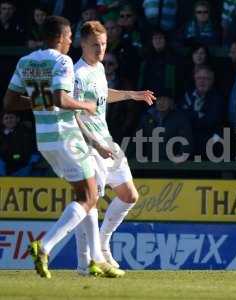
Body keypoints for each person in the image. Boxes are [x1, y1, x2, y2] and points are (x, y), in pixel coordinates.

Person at [2, 15, 122, 279]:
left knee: (86, 195)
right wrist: (86, 105)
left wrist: (39, 101)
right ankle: (45, 246)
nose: (70, 42)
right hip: (67, 135)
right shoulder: (62, 61)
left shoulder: (26, 61)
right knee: (90, 196)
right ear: (59, 38)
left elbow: (9, 102)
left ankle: (94, 260)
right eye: (68, 37)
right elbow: (61, 98)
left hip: (44, 139)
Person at [73, 20, 155, 274]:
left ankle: (104, 242)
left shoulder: (98, 68)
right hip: (89, 146)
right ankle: (83, 262)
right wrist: (94, 143)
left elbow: (102, 94)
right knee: (89, 203)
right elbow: (72, 115)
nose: (100, 50)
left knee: (130, 195)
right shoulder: (77, 74)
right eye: (95, 45)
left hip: (106, 141)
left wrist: (130, 94)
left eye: (104, 44)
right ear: (82, 44)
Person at [0, 111, 39, 176]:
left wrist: (31, 161)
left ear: (17, 119)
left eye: (11, 117)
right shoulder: (1, 134)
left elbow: (33, 148)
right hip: (5, 165)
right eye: (6, 118)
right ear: (2, 121)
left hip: (24, 165)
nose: (9, 120)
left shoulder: (26, 132)